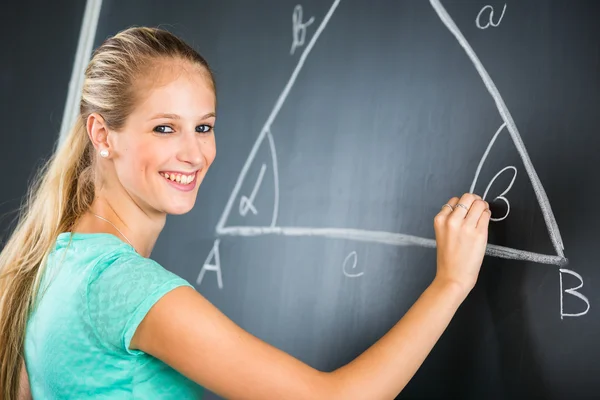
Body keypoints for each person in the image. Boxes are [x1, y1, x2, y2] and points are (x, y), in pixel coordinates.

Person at [0, 26, 491, 400]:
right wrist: (449, 285)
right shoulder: (126, 288)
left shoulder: (57, 260)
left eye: (204, 126)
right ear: (103, 135)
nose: (194, 154)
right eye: (165, 129)